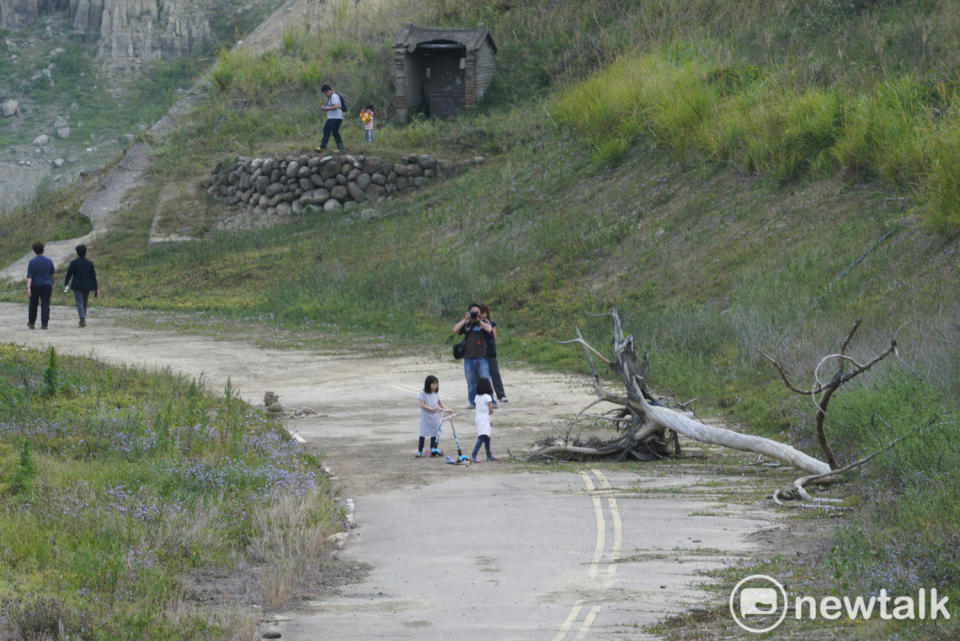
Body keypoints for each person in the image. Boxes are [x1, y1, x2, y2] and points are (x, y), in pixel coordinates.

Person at [452, 303, 494, 409]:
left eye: (477, 312)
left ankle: (491, 401)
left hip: (482, 356)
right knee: (471, 381)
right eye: (473, 312)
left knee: (485, 380)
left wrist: (479, 321)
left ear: (480, 313)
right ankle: (472, 402)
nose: (475, 314)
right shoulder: (467, 324)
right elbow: (455, 330)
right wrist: (465, 320)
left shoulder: (484, 321)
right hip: (468, 357)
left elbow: (490, 329)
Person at [63, 244, 99, 328]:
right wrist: (96, 287)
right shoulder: (89, 263)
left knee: (79, 302)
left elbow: (68, 274)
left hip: (77, 285)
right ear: (85, 252)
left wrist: (66, 283)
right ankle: (83, 318)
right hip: (87, 286)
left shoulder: (73, 263)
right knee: (84, 302)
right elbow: (93, 276)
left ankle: (82, 318)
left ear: (77, 253)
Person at [478, 303, 507, 403]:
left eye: (484, 313)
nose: (482, 315)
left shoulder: (492, 323)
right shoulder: (476, 324)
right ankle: (485, 396)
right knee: (482, 376)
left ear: (487, 313)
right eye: (480, 313)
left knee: (495, 374)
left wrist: (486, 326)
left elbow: (494, 336)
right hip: (480, 352)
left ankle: (501, 395)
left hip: (490, 352)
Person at [25, 241, 55, 330]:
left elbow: (29, 276)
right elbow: (52, 274)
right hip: (46, 285)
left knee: (33, 304)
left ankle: (31, 323)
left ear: (34, 251)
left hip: (35, 285)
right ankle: (44, 324)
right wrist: (52, 284)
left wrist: (29, 288)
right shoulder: (49, 261)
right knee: (45, 304)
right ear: (43, 249)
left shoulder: (32, 262)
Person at [417, 375, 448, 457]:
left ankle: (433, 450)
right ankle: (419, 451)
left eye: (436, 384)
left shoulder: (436, 394)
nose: (435, 386)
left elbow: (440, 403)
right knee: (423, 433)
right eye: (433, 384)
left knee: (435, 433)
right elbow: (422, 404)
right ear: (428, 384)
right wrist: (431, 408)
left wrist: (447, 409)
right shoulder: (422, 393)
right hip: (426, 417)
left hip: (434, 417)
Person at [470, 378, 497, 462]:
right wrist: (488, 418)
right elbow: (491, 410)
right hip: (484, 418)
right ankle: (474, 455)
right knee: (482, 437)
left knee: (486, 437)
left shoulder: (476, 397)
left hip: (478, 418)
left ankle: (489, 455)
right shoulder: (487, 397)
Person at [315, 84, 344, 153]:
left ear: (328, 91)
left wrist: (327, 108)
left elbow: (336, 106)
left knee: (334, 132)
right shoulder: (330, 97)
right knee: (326, 130)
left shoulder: (334, 96)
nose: (325, 95)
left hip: (336, 117)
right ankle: (323, 147)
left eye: (325, 93)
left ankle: (340, 148)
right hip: (332, 118)